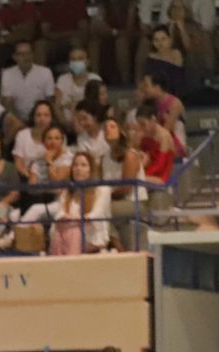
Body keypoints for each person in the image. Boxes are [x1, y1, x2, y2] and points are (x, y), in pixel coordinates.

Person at [102, 115, 148, 250]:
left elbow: (125, 189)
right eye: (105, 128)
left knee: (99, 209)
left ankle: (118, 247)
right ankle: (114, 242)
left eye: (112, 126)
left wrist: (103, 197)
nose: (107, 130)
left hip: (135, 202)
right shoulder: (104, 158)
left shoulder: (130, 155)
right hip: (115, 203)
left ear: (121, 130)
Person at [89, 0, 139, 85]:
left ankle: (125, 81)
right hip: (109, 37)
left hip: (129, 39)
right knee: (94, 43)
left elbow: (129, 30)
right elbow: (97, 28)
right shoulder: (103, 7)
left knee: (121, 42)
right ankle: (95, 80)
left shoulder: (131, 5)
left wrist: (113, 31)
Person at [0, 41, 55, 124]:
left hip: (40, 117)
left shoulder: (46, 72)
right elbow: (8, 104)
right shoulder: (7, 74)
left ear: (33, 55)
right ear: (15, 57)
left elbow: (50, 101)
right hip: (17, 120)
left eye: (28, 53)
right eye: (21, 54)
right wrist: (19, 122)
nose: (26, 57)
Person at [37, 0, 89, 66]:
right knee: (40, 44)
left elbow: (84, 30)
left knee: (76, 41)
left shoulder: (76, 2)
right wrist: (66, 34)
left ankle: (79, 74)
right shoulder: (45, 6)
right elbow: (46, 33)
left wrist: (61, 35)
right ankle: (41, 77)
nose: (48, 0)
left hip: (72, 40)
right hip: (55, 43)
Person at [134, 101, 180, 184]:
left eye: (143, 124)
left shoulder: (164, 136)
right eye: (139, 124)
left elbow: (160, 164)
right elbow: (139, 156)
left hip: (161, 176)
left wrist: (142, 173)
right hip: (146, 171)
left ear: (153, 119)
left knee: (134, 180)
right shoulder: (143, 135)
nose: (141, 127)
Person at [0, 0, 40, 68]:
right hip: (12, 44)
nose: (14, 1)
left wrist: (6, 38)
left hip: (31, 42)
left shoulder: (29, 8)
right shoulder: (4, 11)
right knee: (1, 49)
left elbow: (28, 33)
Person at [11, 100, 58, 181]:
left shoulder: (58, 136)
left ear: (52, 118)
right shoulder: (22, 135)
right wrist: (31, 177)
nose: (42, 118)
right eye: (38, 115)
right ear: (33, 117)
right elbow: (18, 164)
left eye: (46, 115)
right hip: (26, 179)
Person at [53, 47, 102, 120]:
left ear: (88, 62)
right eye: (73, 59)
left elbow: (99, 106)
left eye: (80, 59)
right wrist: (66, 125)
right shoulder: (62, 80)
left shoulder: (95, 79)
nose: (76, 62)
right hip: (66, 125)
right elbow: (57, 106)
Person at [142, 25, 186, 99]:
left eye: (163, 39)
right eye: (156, 40)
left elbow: (178, 79)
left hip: (177, 95)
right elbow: (148, 80)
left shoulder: (176, 53)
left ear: (170, 40)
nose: (160, 43)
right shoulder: (151, 58)